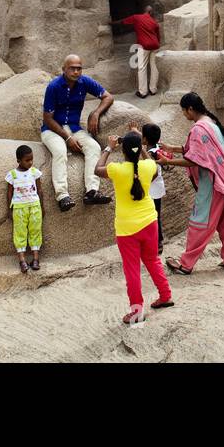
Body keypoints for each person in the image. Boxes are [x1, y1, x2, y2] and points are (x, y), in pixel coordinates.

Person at [158, 92, 224, 275]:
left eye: (184, 111)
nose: (184, 115)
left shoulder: (198, 129)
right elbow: (202, 151)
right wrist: (172, 148)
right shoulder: (210, 122)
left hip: (214, 181)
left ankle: (186, 264)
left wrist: (168, 162)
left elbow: (195, 160)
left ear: (190, 109)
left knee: (201, 219)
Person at [96, 131, 174, 324]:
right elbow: (154, 169)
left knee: (132, 270)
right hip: (149, 221)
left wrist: (108, 147)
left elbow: (98, 169)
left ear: (122, 150)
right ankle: (165, 296)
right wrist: (143, 151)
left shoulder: (117, 169)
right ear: (140, 149)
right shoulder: (147, 166)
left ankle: (137, 310)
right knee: (152, 260)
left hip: (126, 228)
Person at [41, 54, 114, 212]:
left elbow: (108, 97)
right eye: (72, 68)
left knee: (94, 147)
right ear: (64, 69)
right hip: (52, 129)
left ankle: (91, 191)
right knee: (60, 151)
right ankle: (62, 196)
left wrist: (96, 113)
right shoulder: (53, 86)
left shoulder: (84, 82)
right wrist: (67, 138)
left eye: (79, 68)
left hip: (74, 128)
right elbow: (47, 118)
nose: (76, 72)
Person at [5, 145, 44, 274]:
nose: (30, 162)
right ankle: (22, 260)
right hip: (19, 208)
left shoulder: (34, 172)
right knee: (20, 233)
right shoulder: (12, 175)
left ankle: (36, 259)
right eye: (27, 160)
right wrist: (9, 209)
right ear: (19, 161)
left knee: (35, 231)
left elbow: (40, 191)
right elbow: (9, 193)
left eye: (32, 159)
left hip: (34, 207)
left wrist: (42, 207)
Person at [137, 122, 172, 255]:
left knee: (151, 217)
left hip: (151, 190)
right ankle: (158, 241)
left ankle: (156, 242)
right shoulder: (157, 147)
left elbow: (152, 172)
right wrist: (136, 131)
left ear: (145, 139)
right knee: (156, 216)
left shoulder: (150, 153)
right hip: (158, 189)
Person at [113, 6, 162, 98]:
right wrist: (157, 45)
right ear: (151, 13)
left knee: (142, 67)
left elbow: (123, 22)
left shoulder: (137, 17)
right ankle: (153, 89)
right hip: (155, 45)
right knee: (154, 67)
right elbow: (158, 37)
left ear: (144, 11)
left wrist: (112, 23)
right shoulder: (154, 22)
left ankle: (143, 92)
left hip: (144, 45)